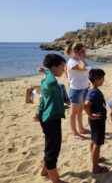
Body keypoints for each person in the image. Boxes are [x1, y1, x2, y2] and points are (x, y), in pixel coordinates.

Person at [34, 54, 67, 183]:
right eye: (62, 67)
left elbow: (44, 99)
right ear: (53, 68)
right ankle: (56, 180)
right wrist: (47, 70)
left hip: (48, 116)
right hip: (50, 120)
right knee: (53, 150)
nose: (64, 70)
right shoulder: (50, 80)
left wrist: (39, 110)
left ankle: (44, 170)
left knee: (50, 146)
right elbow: (52, 81)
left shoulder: (46, 79)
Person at [84, 69, 109, 174]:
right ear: (97, 80)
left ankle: (95, 158)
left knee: (94, 141)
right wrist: (90, 115)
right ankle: (95, 167)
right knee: (97, 143)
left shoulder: (93, 90)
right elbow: (86, 105)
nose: (104, 80)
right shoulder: (93, 92)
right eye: (102, 78)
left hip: (96, 121)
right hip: (97, 121)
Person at [64, 43, 90, 139]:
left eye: (84, 51)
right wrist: (80, 58)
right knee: (73, 112)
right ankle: (75, 133)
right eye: (82, 51)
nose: (84, 53)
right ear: (75, 51)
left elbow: (86, 67)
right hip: (76, 90)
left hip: (83, 88)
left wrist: (80, 57)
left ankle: (81, 128)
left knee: (80, 110)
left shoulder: (79, 61)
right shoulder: (72, 62)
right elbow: (83, 68)